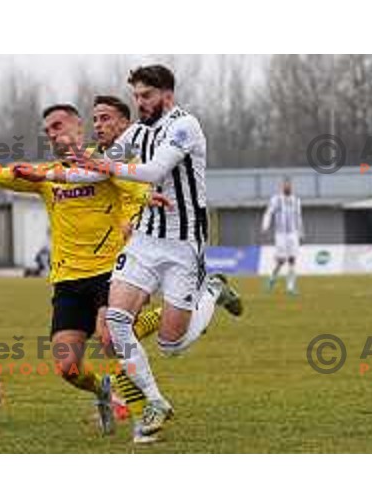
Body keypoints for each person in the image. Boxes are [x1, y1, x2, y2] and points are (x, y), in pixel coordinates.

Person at [0, 104, 165, 438]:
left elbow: (137, 188)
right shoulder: (46, 176)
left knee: (111, 339)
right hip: (68, 281)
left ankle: (146, 419)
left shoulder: (105, 164)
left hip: (110, 272)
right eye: (48, 130)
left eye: (58, 125)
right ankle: (104, 392)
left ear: (79, 126)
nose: (52, 133)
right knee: (68, 368)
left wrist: (134, 217)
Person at [54, 65, 244, 439]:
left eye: (146, 96)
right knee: (116, 323)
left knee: (171, 344)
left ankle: (213, 290)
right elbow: (99, 174)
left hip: (183, 243)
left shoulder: (185, 126)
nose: (139, 103)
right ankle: (156, 401)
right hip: (144, 239)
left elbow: (154, 171)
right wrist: (46, 175)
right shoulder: (138, 132)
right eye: (136, 96)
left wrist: (103, 162)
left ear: (166, 95)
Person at [261, 178, 303, 295]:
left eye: (289, 185)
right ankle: (271, 279)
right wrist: (265, 226)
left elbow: (298, 217)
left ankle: (290, 287)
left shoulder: (296, 200)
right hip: (280, 234)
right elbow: (269, 213)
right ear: (282, 187)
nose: (287, 187)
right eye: (285, 185)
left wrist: (301, 232)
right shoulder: (276, 200)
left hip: (293, 234)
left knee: (292, 259)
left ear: (291, 187)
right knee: (281, 260)